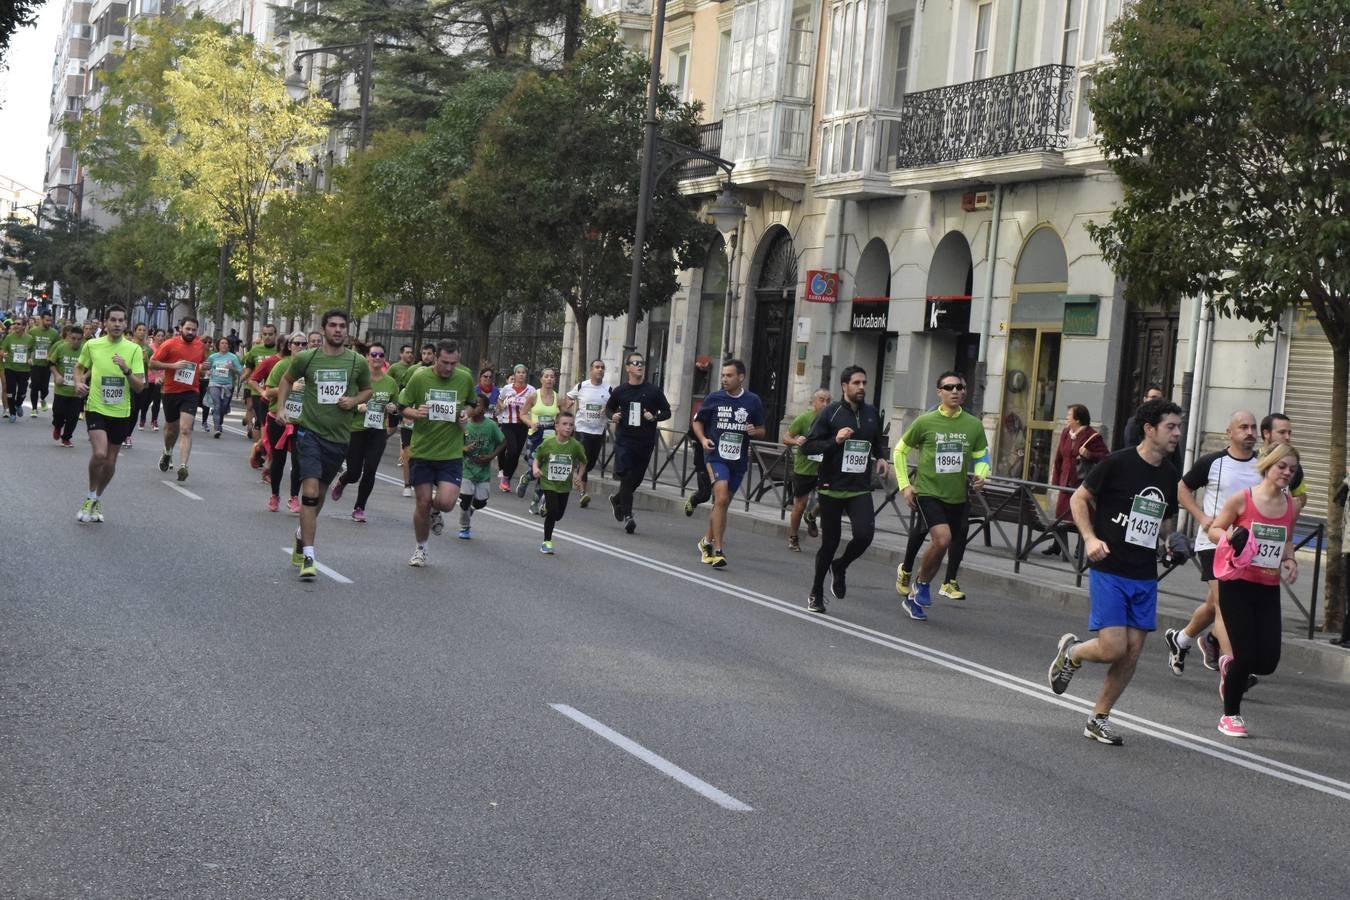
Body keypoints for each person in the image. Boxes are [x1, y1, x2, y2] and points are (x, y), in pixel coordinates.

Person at [1047, 397, 1183, 746]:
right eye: (1171, 427)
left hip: (1143, 574)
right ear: (1149, 429)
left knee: (1132, 652)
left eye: (1178, 427)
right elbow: (1078, 499)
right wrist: (1089, 538)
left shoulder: (1170, 474)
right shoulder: (1116, 463)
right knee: (1112, 648)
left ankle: (1098, 718)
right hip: (1109, 567)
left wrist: (1170, 542)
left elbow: (1163, 520)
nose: (1177, 433)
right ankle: (1073, 652)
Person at [1204, 443, 1300, 738]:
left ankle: (1229, 664)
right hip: (1237, 585)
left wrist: (1291, 558)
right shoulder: (1243, 500)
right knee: (1245, 655)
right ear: (1268, 466)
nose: (1286, 473)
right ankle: (1230, 715)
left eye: (1292, 469)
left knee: (1268, 661)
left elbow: (1286, 539)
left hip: (1268, 588)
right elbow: (1213, 529)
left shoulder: (1290, 506)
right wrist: (1233, 535)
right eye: (1281, 466)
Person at [275, 310, 372, 580]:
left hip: (339, 438)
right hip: (309, 433)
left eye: (342, 326)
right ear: (324, 329)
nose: (338, 330)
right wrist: (281, 407)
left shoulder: (357, 362)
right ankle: (309, 555)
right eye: (333, 325)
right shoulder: (308, 358)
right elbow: (286, 379)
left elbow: (367, 390)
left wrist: (353, 402)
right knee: (309, 488)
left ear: (347, 331)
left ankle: (300, 535)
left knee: (319, 496)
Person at [1165, 410, 1260, 676]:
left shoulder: (1263, 465)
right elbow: (1182, 488)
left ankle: (1181, 639)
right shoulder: (1212, 462)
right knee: (1228, 605)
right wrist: (1202, 518)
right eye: (1243, 427)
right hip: (1214, 544)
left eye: (1253, 427)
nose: (1250, 432)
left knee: (1213, 605)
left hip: (1247, 549)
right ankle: (1235, 666)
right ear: (1229, 432)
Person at [893, 371, 992, 619]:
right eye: (949, 387)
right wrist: (905, 486)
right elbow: (899, 452)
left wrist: (982, 474)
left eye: (960, 387)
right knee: (943, 539)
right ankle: (922, 584)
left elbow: (982, 456)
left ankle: (916, 595)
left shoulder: (973, 424)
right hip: (928, 492)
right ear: (940, 392)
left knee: (940, 549)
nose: (955, 391)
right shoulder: (925, 422)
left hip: (957, 496)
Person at [801, 367, 889, 613]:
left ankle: (840, 566)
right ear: (844, 386)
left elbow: (877, 441)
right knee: (830, 543)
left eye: (864, 382)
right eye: (856, 383)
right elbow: (808, 447)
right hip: (831, 487)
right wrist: (835, 441)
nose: (862, 387)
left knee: (865, 535)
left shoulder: (871, 412)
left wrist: (881, 458)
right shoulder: (831, 412)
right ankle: (816, 591)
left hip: (859, 487)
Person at [398, 339, 475, 567]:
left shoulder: (464, 378)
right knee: (422, 503)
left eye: (454, 363)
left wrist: (466, 414)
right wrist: (415, 413)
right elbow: (402, 405)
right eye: (445, 362)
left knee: (446, 502)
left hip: (450, 454)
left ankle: (435, 511)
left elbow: (472, 403)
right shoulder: (420, 378)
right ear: (435, 358)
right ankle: (421, 548)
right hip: (422, 451)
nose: (449, 368)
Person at [73, 305, 146, 523]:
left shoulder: (133, 350)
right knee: (100, 454)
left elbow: (140, 386)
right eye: (112, 320)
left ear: (126, 324)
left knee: (111, 460)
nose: (116, 324)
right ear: (105, 322)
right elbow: (79, 368)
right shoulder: (92, 345)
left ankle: (97, 497)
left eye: (120, 320)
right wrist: (78, 382)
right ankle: (89, 495)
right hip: (96, 407)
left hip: (121, 411)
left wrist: (126, 370)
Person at [692, 359, 765, 568]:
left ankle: (706, 540)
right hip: (715, 456)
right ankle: (718, 549)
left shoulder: (753, 401)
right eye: (723, 375)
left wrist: (754, 432)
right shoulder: (714, 398)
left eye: (729, 375)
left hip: (738, 460)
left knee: (722, 504)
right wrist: (703, 439)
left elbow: (762, 429)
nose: (724, 379)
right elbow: (697, 420)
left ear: (741, 377)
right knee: (721, 497)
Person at [331, 342, 399, 522]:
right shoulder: (358, 380)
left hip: (377, 430)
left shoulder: (390, 383)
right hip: (356, 429)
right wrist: (356, 405)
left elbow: (396, 407)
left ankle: (359, 507)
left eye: (381, 355)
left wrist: (393, 408)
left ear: (385, 359)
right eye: (374, 355)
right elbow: (342, 402)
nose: (377, 358)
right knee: (354, 473)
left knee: (370, 470)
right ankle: (343, 481)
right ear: (367, 357)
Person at [604, 353, 671, 534]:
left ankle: (618, 499)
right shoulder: (620, 391)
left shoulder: (653, 391)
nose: (639, 366)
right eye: (635, 363)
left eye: (641, 363)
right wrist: (613, 416)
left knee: (636, 480)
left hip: (645, 441)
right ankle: (628, 516)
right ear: (628, 368)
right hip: (625, 440)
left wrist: (654, 416)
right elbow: (609, 409)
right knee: (626, 476)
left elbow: (667, 412)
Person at [1044, 404, 1109, 556]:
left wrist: (1089, 455)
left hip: (1081, 483)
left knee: (1082, 516)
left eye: (1069, 416)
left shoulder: (1092, 436)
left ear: (1078, 420)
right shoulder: (1066, 433)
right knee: (1060, 516)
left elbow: (1106, 457)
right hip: (1065, 481)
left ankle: (1080, 549)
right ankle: (1057, 545)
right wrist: (1056, 480)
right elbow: (1059, 458)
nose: (1066, 418)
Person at [149, 316, 207, 482]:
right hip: (171, 391)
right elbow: (152, 364)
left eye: (194, 330)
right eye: (187, 329)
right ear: (180, 328)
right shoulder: (169, 344)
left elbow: (200, 366)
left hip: (191, 392)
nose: (190, 332)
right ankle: (167, 452)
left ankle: (183, 466)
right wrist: (173, 366)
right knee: (171, 429)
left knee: (185, 429)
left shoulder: (199, 345)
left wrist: (204, 368)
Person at [261, 332, 306, 511]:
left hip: (300, 420)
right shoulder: (282, 365)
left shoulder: (309, 368)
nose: (301, 347)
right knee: (278, 460)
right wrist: (288, 387)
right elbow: (267, 392)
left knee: (298, 461)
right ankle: (274, 495)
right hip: (278, 419)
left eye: (304, 344)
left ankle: (294, 497)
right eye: (297, 344)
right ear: (289, 346)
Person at [533, 409, 588, 555]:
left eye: (571, 425)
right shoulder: (548, 443)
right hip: (548, 482)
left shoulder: (575, 446)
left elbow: (583, 462)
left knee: (558, 515)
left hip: (564, 485)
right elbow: (537, 457)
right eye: (564, 424)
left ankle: (545, 506)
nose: (568, 427)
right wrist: (535, 468)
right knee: (553, 511)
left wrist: (579, 476)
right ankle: (547, 542)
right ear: (556, 426)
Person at [784, 389, 830, 552]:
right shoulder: (804, 418)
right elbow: (786, 437)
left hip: (824, 468)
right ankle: (793, 537)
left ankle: (811, 516)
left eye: (828, 401)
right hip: (804, 468)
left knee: (827, 501)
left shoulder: (832, 420)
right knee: (800, 505)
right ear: (813, 402)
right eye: (821, 400)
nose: (825, 404)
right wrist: (796, 441)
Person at [516, 366, 569, 501]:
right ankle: (527, 477)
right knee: (534, 466)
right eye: (546, 376)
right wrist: (531, 423)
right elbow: (522, 414)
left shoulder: (558, 398)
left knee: (544, 470)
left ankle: (535, 502)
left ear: (555, 379)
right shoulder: (534, 396)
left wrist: (562, 426)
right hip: (535, 436)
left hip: (550, 439)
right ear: (541, 379)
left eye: (552, 376)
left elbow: (565, 417)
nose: (549, 379)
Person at [457, 393, 505, 539]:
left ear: (484, 409)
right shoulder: (464, 424)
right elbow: (454, 443)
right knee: (465, 498)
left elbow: (503, 442)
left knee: (480, 502)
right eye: (472, 404)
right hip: (466, 469)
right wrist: (464, 449)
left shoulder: (490, 425)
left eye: (477, 405)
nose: (474, 407)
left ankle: (471, 509)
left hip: (483, 471)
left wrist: (491, 456)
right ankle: (465, 526)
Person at [567, 359, 610, 508]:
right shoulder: (581, 386)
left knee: (590, 463)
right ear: (591, 370)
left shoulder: (609, 389)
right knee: (584, 459)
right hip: (582, 429)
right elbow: (568, 399)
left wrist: (610, 411)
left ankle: (576, 471)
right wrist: (566, 414)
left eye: (602, 368)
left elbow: (615, 407)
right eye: (597, 367)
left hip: (598, 430)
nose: (600, 370)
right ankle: (582, 493)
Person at [396, 344, 436, 498]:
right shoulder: (412, 370)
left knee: (425, 454)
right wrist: (405, 411)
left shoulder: (437, 372)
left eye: (429, 353)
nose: (426, 356)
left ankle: (425, 482)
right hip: (410, 419)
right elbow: (403, 390)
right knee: (408, 452)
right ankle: (407, 484)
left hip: (427, 421)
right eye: (424, 353)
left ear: (434, 355)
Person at [495, 364, 534, 493]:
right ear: (514, 374)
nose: (521, 374)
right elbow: (499, 400)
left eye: (523, 372)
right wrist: (503, 405)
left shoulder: (531, 390)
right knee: (511, 450)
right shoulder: (507, 388)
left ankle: (507, 478)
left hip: (522, 425)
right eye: (519, 372)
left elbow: (534, 405)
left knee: (516, 453)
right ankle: (505, 477)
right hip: (508, 423)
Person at [1259, 413, 1308, 513]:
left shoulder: (1294, 466)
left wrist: (1295, 501)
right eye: (1282, 432)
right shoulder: (1251, 461)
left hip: (1278, 523)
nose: (1287, 437)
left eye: (1289, 433)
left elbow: (1301, 495)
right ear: (1266, 434)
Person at [47, 324, 84, 447]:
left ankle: (66, 437)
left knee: (73, 417)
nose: (76, 341)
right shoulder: (61, 348)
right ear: (69, 337)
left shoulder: (85, 351)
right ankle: (57, 426)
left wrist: (85, 376)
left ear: (82, 339)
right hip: (61, 389)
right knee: (58, 414)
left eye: (79, 339)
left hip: (77, 391)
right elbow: (51, 363)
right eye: (73, 338)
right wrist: (57, 375)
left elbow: (93, 366)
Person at [240, 323, 277, 439]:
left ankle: (267, 445)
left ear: (275, 335)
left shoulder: (280, 350)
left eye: (270, 334)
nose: (267, 337)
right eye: (265, 334)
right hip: (258, 391)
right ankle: (258, 449)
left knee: (272, 421)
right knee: (260, 420)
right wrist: (246, 374)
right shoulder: (255, 350)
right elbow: (249, 365)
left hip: (275, 390)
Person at [205, 336, 243, 437]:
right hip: (214, 383)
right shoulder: (213, 357)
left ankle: (219, 422)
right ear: (218, 345)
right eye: (222, 343)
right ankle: (217, 427)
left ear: (229, 346)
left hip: (227, 385)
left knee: (223, 407)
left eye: (226, 343)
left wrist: (232, 368)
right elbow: (206, 368)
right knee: (217, 405)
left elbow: (240, 371)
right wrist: (208, 371)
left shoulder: (233, 357)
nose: (224, 345)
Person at [26, 312, 60, 414]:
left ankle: (43, 398)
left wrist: (51, 357)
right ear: (41, 319)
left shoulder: (54, 333)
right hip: (35, 363)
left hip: (47, 364)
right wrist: (29, 358)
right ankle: (34, 409)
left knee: (45, 388)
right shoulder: (32, 332)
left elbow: (57, 348)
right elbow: (28, 346)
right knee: (35, 386)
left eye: (50, 320)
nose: (49, 322)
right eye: (47, 320)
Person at [2, 316, 33, 421]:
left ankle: (18, 404)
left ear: (24, 326)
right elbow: (2, 349)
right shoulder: (9, 337)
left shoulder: (29, 339)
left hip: (24, 370)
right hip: (10, 368)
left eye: (19, 324)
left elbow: (32, 351)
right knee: (10, 392)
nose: (16, 325)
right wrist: (3, 354)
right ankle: (12, 413)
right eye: (15, 323)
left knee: (22, 392)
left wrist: (30, 359)